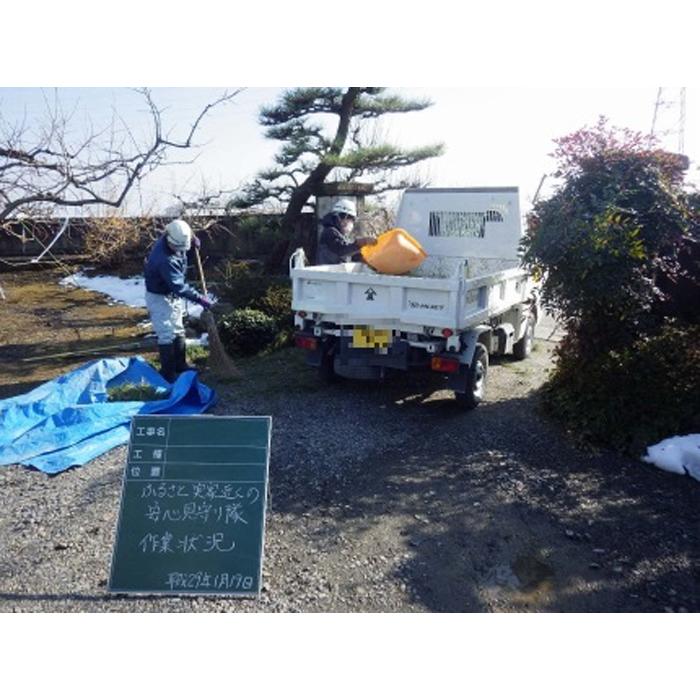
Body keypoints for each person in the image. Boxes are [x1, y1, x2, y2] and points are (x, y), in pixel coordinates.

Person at [144, 219, 212, 382]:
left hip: (171, 294)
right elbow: (179, 287)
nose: (180, 250)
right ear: (169, 240)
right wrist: (199, 298)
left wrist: (193, 241)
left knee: (178, 329)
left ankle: (180, 365)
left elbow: (184, 232)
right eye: (178, 247)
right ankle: (168, 374)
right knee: (166, 333)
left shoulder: (175, 235)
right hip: (159, 296)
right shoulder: (165, 260)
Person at [317, 199, 375, 265]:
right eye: (351, 219)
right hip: (327, 273)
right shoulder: (330, 232)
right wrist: (359, 243)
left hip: (334, 272)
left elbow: (348, 252)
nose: (352, 222)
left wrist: (360, 255)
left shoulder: (340, 235)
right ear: (344, 217)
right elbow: (341, 250)